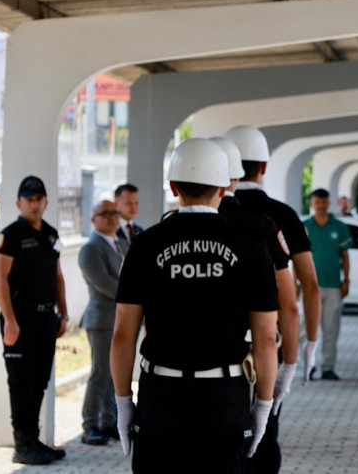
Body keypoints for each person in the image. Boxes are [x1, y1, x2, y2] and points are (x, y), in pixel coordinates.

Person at [110, 139, 280, 473]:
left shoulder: (145, 245)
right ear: (224, 187)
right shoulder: (251, 249)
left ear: (174, 187)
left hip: (161, 395)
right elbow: (266, 338)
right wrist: (263, 404)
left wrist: (123, 402)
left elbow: (122, 335)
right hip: (225, 396)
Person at [227, 125, 322, 473]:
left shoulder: (216, 210)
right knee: (263, 440)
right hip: (267, 346)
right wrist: (302, 352)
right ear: (264, 166)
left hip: (215, 346)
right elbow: (306, 289)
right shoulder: (282, 215)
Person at [0, 175, 68, 465]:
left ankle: (33, 441)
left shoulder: (50, 234)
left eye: (39, 199)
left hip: (46, 318)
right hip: (20, 319)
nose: (34, 205)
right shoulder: (10, 236)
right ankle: (22, 445)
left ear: (46, 202)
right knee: (21, 383)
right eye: (29, 200)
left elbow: (57, 275)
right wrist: (10, 320)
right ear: (19, 203)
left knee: (39, 382)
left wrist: (63, 313)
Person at [77, 199, 128, 446]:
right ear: (93, 219)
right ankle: (90, 424)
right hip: (102, 320)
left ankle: (109, 421)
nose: (112, 217)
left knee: (113, 374)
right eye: (105, 213)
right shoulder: (90, 249)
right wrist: (135, 295)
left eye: (115, 212)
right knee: (100, 373)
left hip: (121, 320)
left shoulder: (121, 244)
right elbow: (105, 283)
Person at [303, 188, 353, 381]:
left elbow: (345, 256)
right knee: (306, 329)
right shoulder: (305, 227)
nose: (321, 206)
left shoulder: (339, 226)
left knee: (331, 329)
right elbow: (296, 257)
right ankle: (308, 366)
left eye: (324, 202)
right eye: (317, 202)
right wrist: (296, 282)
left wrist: (346, 280)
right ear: (312, 204)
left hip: (333, 286)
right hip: (309, 287)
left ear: (329, 203)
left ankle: (328, 367)